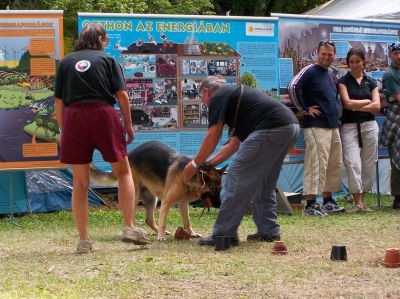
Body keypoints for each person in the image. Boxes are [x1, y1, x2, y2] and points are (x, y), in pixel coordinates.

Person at [54, 24, 150, 254]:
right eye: (106, 40)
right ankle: (128, 227)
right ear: (99, 39)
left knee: (80, 183)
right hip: (103, 115)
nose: (106, 43)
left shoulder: (66, 62)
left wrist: (63, 128)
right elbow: (122, 95)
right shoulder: (108, 61)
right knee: (124, 173)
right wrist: (128, 124)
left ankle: (84, 241)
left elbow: (58, 101)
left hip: (74, 117)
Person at [182, 76, 299, 246]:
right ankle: (268, 231)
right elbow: (232, 146)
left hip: (272, 128)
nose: (205, 104)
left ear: (207, 92)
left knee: (236, 176)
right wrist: (208, 165)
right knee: (264, 181)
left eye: (202, 99)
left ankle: (224, 234)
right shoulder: (238, 102)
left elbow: (213, 135)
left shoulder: (218, 96)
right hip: (289, 127)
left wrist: (194, 165)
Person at [288, 40, 344, 216]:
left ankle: (328, 201)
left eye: (330, 54)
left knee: (333, 165)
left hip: (333, 126)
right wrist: (304, 109)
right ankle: (311, 204)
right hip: (316, 126)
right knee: (316, 164)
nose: (327, 57)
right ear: (317, 54)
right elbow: (293, 87)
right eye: (323, 53)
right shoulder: (310, 70)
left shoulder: (330, 75)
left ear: (334, 55)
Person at [337, 48, 380, 213]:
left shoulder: (371, 82)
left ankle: (362, 201)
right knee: (352, 162)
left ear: (363, 62)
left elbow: (377, 106)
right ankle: (357, 202)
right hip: (349, 127)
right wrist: (367, 101)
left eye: (357, 61)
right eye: (351, 62)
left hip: (369, 126)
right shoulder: (343, 81)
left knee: (368, 163)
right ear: (348, 64)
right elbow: (347, 104)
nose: (354, 65)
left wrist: (357, 105)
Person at [380, 41, 400, 209]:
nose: (399, 56)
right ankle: (398, 197)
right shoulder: (390, 74)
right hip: (396, 117)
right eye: (395, 53)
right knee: (396, 157)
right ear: (390, 55)